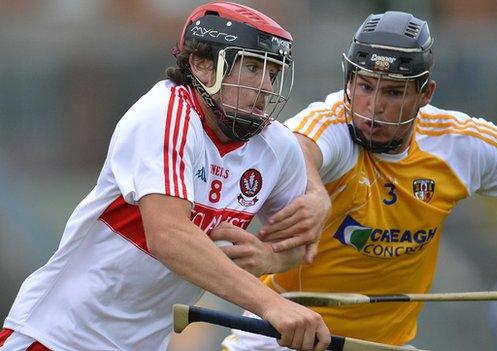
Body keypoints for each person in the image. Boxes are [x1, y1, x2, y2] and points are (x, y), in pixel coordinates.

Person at [221, 10, 497, 349]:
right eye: (364, 86)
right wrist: (316, 192)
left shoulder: (460, 144)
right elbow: (300, 149)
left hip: (383, 347)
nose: (373, 107)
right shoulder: (331, 124)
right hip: (282, 336)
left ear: (425, 94)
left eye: (393, 92)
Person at [0, 2, 331, 351]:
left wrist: (272, 258)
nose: (265, 86)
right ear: (202, 64)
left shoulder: (276, 146)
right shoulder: (165, 114)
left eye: (273, 73)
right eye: (252, 68)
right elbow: (169, 236)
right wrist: (270, 303)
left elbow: (299, 242)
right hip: (58, 337)